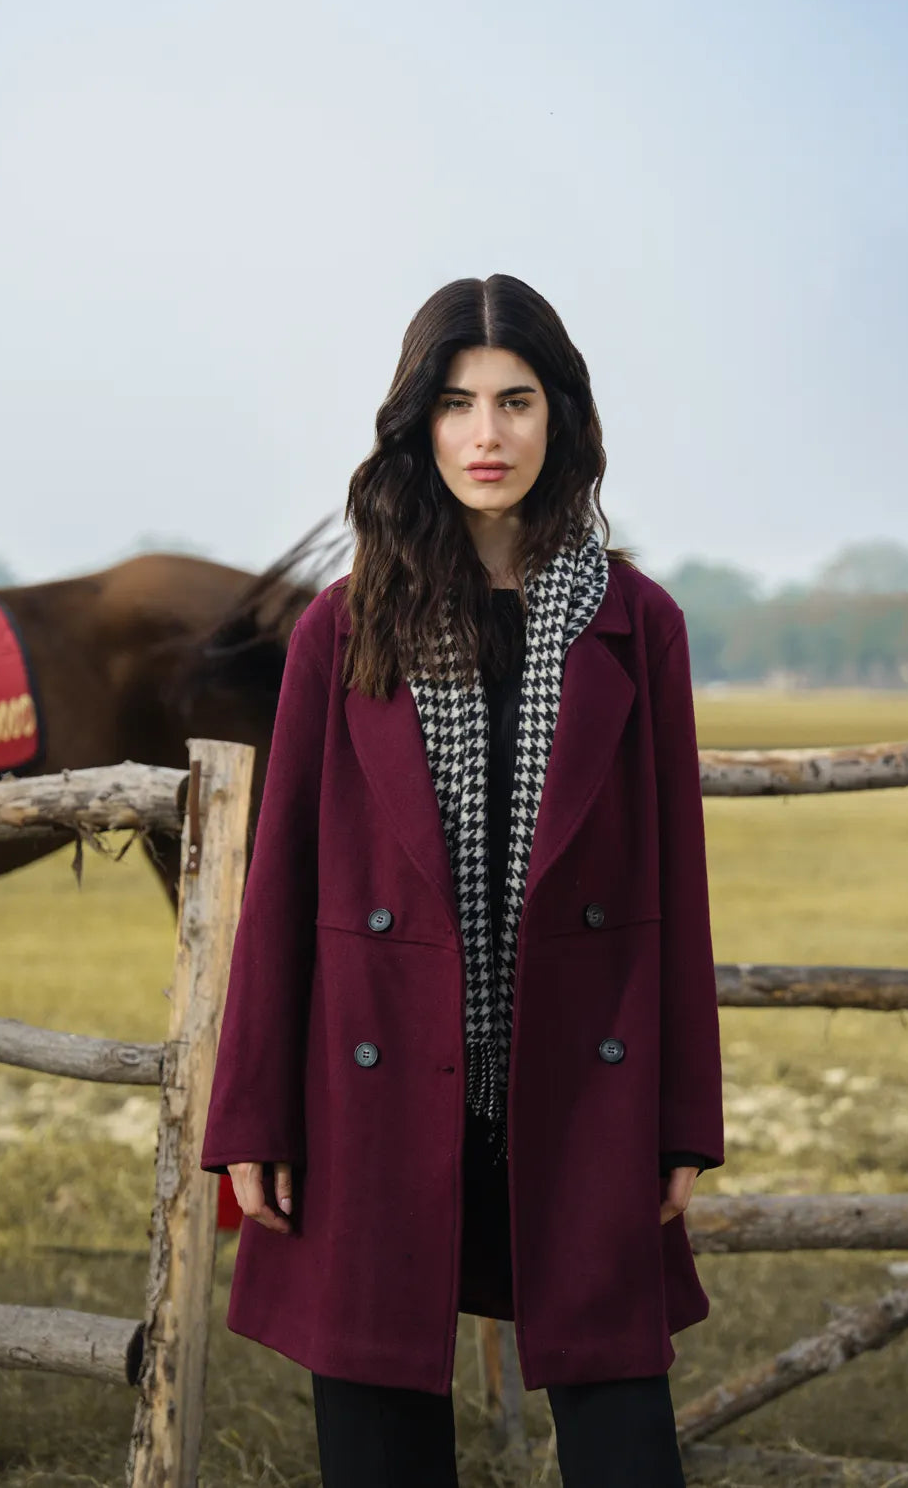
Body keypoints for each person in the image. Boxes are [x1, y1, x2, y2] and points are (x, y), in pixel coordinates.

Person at [200, 273, 724, 1487]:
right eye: (455, 404)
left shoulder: (638, 624)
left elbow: (677, 892)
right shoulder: (344, 628)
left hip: (578, 1086)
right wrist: (255, 1118)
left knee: (624, 1442)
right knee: (379, 1441)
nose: (486, 435)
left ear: (564, 421)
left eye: (517, 401)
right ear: (416, 424)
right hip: (376, 1086)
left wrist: (683, 1118)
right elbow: (282, 890)